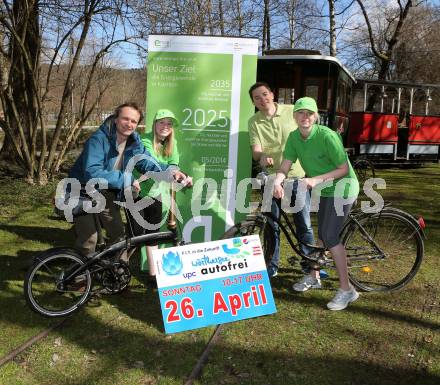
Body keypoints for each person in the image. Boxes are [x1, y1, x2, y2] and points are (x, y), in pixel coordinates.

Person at [68, 102, 187, 259]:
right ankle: (78, 280)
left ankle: (116, 274)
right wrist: (128, 179)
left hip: (106, 192)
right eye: (126, 119)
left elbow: (147, 162)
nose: (129, 124)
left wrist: (171, 172)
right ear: (116, 119)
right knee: (90, 239)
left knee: (120, 237)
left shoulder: (134, 141)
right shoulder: (98, 140)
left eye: (134, 121)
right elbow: (93, 172)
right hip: (82, 191)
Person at [273, 96, 360, 311]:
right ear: (294, 116)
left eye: (309, 113)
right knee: (322, 236)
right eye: (301, 113)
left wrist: (313, 180)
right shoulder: (294, 137)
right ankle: (313, 276)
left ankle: (347, 290)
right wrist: (277, 179)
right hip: (323, 189)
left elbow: (343, 169)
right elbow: (284, 166)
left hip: (343, 187)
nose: (305, 117)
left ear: (316, 117)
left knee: (330, 237)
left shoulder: (327, 136)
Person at [248, 82, 315, 278]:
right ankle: (271, 264)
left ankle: (310, 265)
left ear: (272, 93)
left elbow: (308, 135)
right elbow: (255, 151)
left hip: (296, 176)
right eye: (257, 98)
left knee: (303, 223)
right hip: (271, 178)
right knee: (271, 225)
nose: (262, 100)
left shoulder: (292, 111)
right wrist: (261, 157)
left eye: (264, 94)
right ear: (253, 101)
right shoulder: (253, 121)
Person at [131, 109, 192, 278]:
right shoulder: (145, 140)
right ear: (155, 124)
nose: (165, 126)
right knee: (135, 233)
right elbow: (153, 166)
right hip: (136, 191)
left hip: (155, 192)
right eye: (162, 122)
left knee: (153, 233)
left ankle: (154, 274)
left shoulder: (173, 143)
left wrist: (182, 177)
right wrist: (177, 174)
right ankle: (119, 267)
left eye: (169, 123)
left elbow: (173, 166)